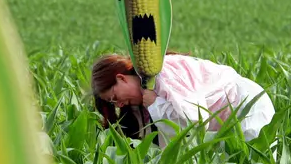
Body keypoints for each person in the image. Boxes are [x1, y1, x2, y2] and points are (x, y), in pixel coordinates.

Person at [91, 51, 275, 148]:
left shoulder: (162, 73)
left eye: (115, 98)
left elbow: (195, 119)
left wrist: (156, 105)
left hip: (247, 107)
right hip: (230, 118)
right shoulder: (147, 91)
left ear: (121, 78)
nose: (120, 105)